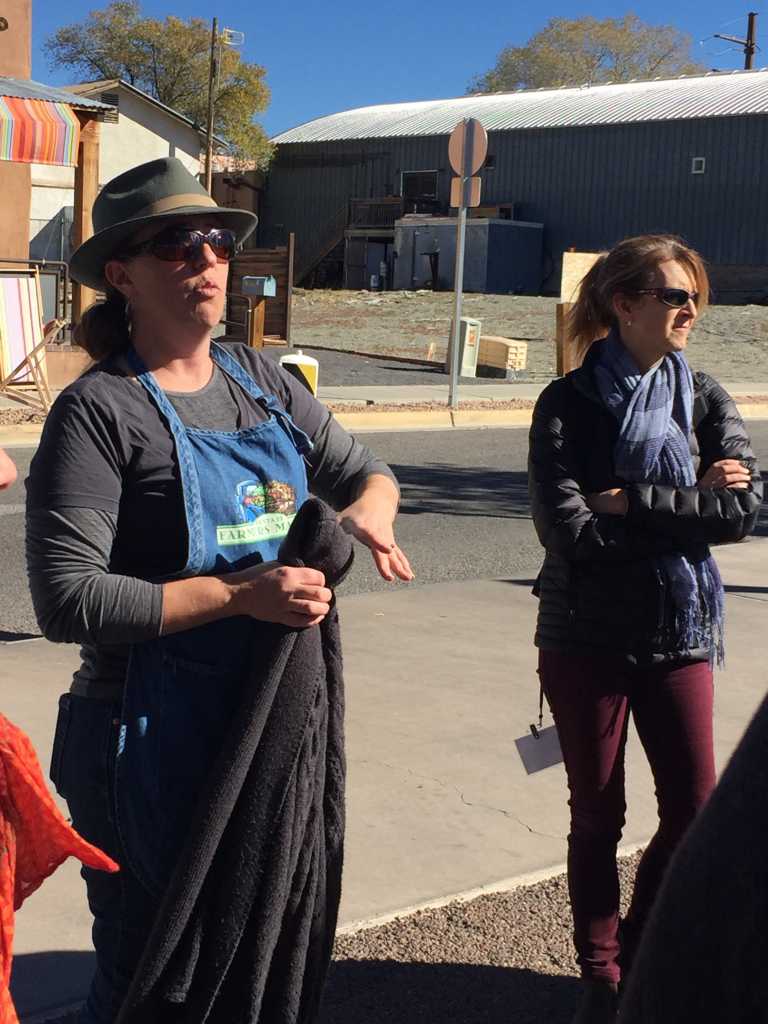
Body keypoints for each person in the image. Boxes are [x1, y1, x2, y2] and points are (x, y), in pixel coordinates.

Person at [24, 157, 412, 1023]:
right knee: (156, 978)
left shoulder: (262, 381)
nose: (205, 259)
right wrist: (241, 596)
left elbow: (365, 474)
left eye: (215, 241)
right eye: (175, 244)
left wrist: (368, 519)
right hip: (142, 737)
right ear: (121, 275)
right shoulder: (100, 411)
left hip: (262, 723)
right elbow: (69, 599)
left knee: (251, 961)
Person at [527, 234, 763, 1023]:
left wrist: (633, 501)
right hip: (583, 635)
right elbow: (571, 536)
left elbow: (743, 511)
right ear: (624, 304)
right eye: (673, 294)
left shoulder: (704, 397)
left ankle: (634, 946)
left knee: (695, 810)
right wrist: (686, 503)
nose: (690, 308)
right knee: (598, 818)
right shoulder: (566, 404)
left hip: (680, 631)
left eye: (696, 294)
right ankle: (600, 977)